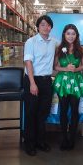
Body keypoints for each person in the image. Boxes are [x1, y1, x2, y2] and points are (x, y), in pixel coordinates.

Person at [23, 15, 58, 156]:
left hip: (46, 81)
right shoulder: (31, 42)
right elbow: (28, 62)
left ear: (51, 27)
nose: (46, 27)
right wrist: (32, 83)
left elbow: (68, 46)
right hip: (32, 80)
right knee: (31, 113)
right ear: (38, 27)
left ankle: (40, 141)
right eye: (43, 24)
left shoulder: (54, 42)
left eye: (48, 25)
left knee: (43, 113)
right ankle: (29, 144)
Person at [53, 24, 83, 151]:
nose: (71, 36)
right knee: (63, 110)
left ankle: (72, 137)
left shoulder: (81, 49)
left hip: (76, 82)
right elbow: (55, 66)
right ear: (64, 35)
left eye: (73, 34)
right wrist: (65, 69)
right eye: (68, 33)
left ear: (76, 35)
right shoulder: (58, 49)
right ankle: (64, 137)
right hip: (63, 82)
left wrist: (76, 69)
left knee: (74, 110)